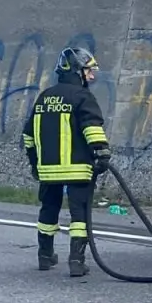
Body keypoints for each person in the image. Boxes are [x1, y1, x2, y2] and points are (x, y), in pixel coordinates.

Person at [24, 46, 111, 277]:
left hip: (48, 171)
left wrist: (35, 164)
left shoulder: (44, 97)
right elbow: (92, 127)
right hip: (77, 169)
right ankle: (76, 260)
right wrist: (102, 153)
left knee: (48, 210)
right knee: (79, 215)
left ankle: (45, 255)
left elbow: (27, 136)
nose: (91, 76)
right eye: (89, 71)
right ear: (76, 71)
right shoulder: (82, 97)